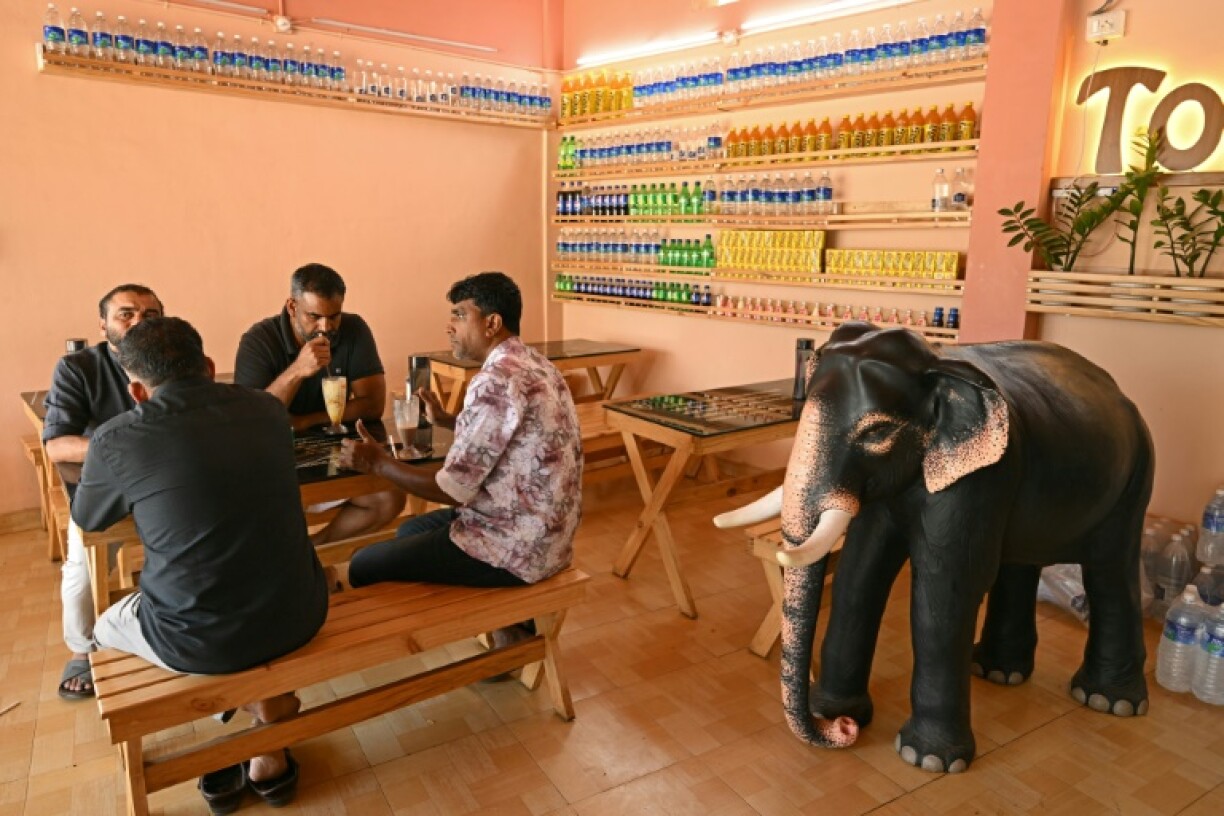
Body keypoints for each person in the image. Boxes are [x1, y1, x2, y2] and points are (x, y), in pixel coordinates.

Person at [74, 317, 328, 813]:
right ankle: (266, 736)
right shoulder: (267, 410)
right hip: (301, 611)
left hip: (198, 640)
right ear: (211, 368)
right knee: (243, 583)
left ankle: (231, 717)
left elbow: (89, 517)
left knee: (101, 631)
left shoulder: (116, 439)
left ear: (137, 391)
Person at [337, 272, 582, 651]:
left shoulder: (496, 379)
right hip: (547, 536)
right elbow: (511, 432)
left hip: (515, 548)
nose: (449, 327)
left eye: (459, 315)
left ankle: (392, 645)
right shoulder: (534, 364)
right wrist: (452, 421)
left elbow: (451, 491)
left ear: (492, 323)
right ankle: (510, 628)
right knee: (407, 533)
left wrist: (378, 463)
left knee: (364, 564)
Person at [43, 283, 163, 700]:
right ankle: (80, 649)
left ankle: (164, 623)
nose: (137, 323)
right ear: (104, 325)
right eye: (126, 314)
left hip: (166, 479)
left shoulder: (172, 359)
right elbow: (57, 445)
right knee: (82, 566)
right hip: (106, 487)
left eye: (149, 316)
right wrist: (124, 447)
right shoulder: (78, 368)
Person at [234, 263, 405, 544]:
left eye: (333, 316)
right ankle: (301, 568)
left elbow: (372, 404)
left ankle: (315, 554)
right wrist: (298, 369)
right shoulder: (258, 341)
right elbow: (253, 419)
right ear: (292, 306)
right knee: (284, 505)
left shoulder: (354, 329)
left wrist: (304, 421)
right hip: (274, 459)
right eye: (314, 316)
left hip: (334, 453)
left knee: (390, 497)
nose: (325, 326)